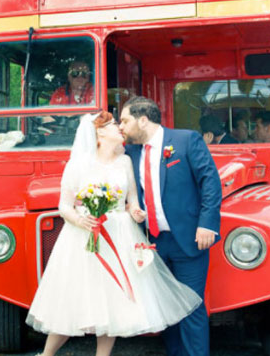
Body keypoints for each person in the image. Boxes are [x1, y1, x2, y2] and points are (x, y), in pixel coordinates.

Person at [26, 111, 202, 356]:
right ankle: (46, 355)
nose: (120, 128)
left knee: (114, 301)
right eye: (113, 125)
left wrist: (136, 212)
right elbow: (64, 206)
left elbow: (131, 201)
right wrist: (81, 219)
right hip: (82, 238)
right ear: (99, 133)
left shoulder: (125, 162)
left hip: (120, 236)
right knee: (71, 300)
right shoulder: (78, 164)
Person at [119, 97, 222, 356]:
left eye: (125, 120)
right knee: (166, 306)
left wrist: (207, 224)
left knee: (191, 306)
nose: (121, 127)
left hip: (189, 239)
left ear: (143, 120)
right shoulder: (129, 152)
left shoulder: (187, 141)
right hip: (153, 243)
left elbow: (210, 182)